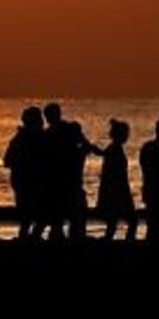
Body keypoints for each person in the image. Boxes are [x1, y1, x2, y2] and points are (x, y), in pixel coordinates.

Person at [41, 102, 101, 240]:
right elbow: (86, 144)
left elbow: (44, 160)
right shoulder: (68, 129)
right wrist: (96, 152)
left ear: (48, 117)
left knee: (60, 219)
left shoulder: (49, 134)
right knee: (75, 217)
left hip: (58, 182)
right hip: (68, 180)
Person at [3, 106, 46, 240]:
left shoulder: (19, 139)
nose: (42, 122)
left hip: (22, 180)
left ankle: (29, 237)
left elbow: (7, 161)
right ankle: (31, 237)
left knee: (28, 215)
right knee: (37, 214)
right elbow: (7, 161)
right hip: (30, 181)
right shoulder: (32, 138)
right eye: (39, 119)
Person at [98, 119, 137, 241]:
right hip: (118, 191)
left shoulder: (113, 149)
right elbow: (117, 175)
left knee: (112, 224)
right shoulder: (115, 150)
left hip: (114, 191)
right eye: (126, 133)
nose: (127, 135)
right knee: (132, 221)